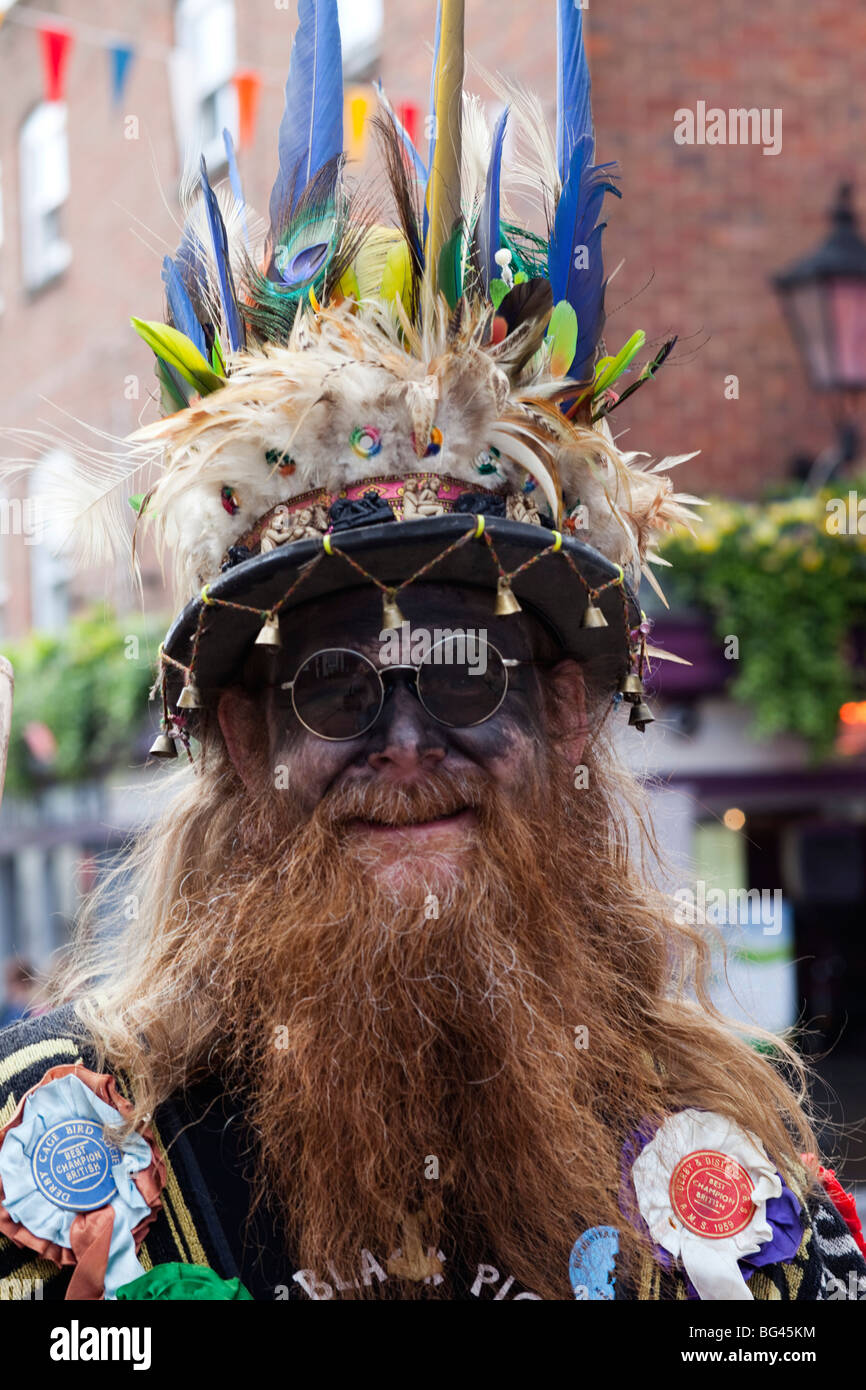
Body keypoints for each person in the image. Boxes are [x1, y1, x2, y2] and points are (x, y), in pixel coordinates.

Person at [1, 0, 864, 1302]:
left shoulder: (735, 1179)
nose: (406, 747)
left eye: (465, 673)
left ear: (565, 712)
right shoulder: (60, 1164)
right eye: (336, 685)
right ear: (245, 737)